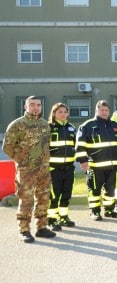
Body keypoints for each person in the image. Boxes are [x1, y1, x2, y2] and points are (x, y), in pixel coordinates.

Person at [2, 96, 56, 243]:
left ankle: (42, 227)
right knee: (26, 199)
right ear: (25, 107)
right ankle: (24, 229)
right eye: (32, 105)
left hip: (43, 168)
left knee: (44, 197)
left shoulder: (45, 124)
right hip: (26, 169)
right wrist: (22, 160)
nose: (35, 108)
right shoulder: (17, 124)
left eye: (38, 105)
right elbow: (7, 147)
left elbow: (47, 144)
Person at [75, 100, 117, 221]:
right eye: (101, 110)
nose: (104, 113)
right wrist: (83, 160)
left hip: (112, 165)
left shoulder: (115, 126)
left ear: (109, 112)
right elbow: (80, 145)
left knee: (110, 189)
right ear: (96, 111)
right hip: (95, 165)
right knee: (94, 190)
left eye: (106, 110)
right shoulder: (87, 126)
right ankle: (95, 211)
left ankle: (109, 210)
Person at [47, 103, 77, 231]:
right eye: (60, 112)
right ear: (54, 113)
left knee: (66, 194)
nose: (63, 114)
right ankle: (52, 220)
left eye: (65, 112)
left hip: (68, 168)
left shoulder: (71, 128)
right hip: (54, 169)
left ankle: (64, 217)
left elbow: (76, 146)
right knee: (54, 196)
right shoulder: (48, 128)